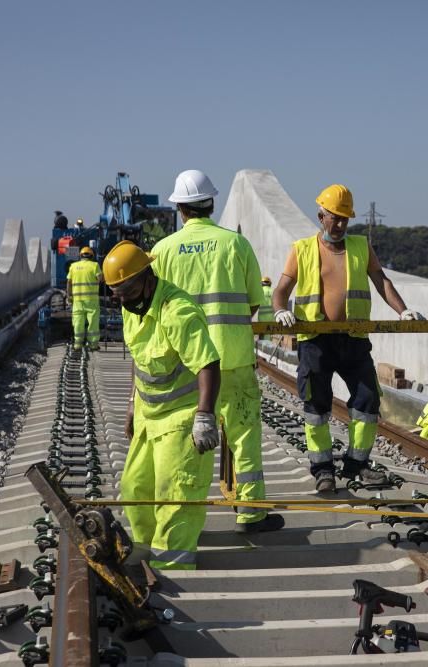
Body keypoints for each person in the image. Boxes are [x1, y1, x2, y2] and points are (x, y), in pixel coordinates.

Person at [152, 169, 282, 533]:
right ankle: (251, 512)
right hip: (233, 357)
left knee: (180, 440)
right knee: (243, 435)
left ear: (179, 208)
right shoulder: (236, 245)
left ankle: (180, 518)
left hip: (183, 362)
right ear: (212, 203)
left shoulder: (162, 251)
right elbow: (254, 303)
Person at [271, 184, 424, 493]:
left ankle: (356, 464)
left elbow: (381, 281)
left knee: (368, 399)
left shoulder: (360, 247)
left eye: (344, 219)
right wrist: (278, 310)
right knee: (316, 405)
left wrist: (403, 310)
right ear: (320, 216)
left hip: (353, 339)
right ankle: (323, 469)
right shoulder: (301, 249)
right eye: (334, 218)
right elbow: (281, 290)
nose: (339, 225)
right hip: (316, 339)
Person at [103, 241, 222, 569]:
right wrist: (131, 402)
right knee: (135, 489)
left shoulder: (176, 311)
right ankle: (146, 557)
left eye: (124, 290)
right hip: (148, 416)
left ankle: (174, 569)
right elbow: (139, 360)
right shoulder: (132, 308)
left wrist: (205, 417)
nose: (120, 299)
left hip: (182, 418)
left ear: (145, 277)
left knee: (175, 497)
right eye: (115, 293)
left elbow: (209, 364)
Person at [66, 246, 102, 352]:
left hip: (77, 301)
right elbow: (100, 279)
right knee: (93, 323)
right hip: (92, 301)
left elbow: (69, 282)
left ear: (80, 255)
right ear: (91, 256)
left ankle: (77, 345)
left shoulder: (73, 266)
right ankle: (93, 345)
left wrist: (69, 296)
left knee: (78, 322)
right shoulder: (95, 265)